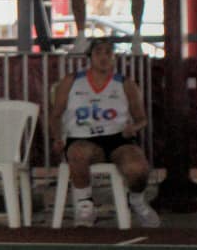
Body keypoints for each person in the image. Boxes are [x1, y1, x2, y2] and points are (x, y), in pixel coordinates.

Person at [50, 38, 160, 228]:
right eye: (98, 52)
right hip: (82, 137)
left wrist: (133, 128)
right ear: (90, 57)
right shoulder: (72, 81)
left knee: (138, 168)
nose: (103, 57)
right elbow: (56, 114)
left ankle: (137, 200)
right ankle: (85, 206)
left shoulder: (126, 84)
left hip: (118, 139)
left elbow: (142, 118)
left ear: (114, 57)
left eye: (108, 52)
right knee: (77, 153)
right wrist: (57, 138)